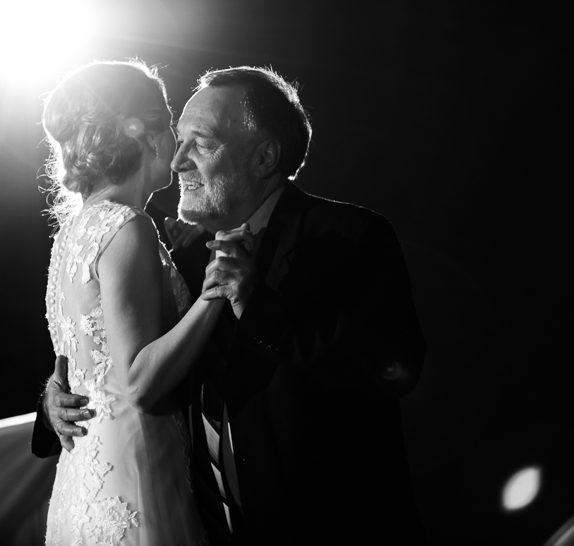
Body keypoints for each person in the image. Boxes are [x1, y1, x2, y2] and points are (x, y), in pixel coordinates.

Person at [33, 65, 427, 545]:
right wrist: (56, 403)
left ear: (264, 157)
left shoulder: (349, 238)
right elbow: (124, 367)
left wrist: (255, 305)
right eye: (176, 141)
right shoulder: (183, 259)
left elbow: (391, 369)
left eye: (200, 143)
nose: (177, 162)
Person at [35, 59, 241, 545]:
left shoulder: (72, 234)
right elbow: (136, 382)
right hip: (134, 473)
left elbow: (81, 363)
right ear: (145, 133)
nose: (177, 142)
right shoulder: (128, 227)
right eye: (169, 124)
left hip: (85, 477)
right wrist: (214, 290)